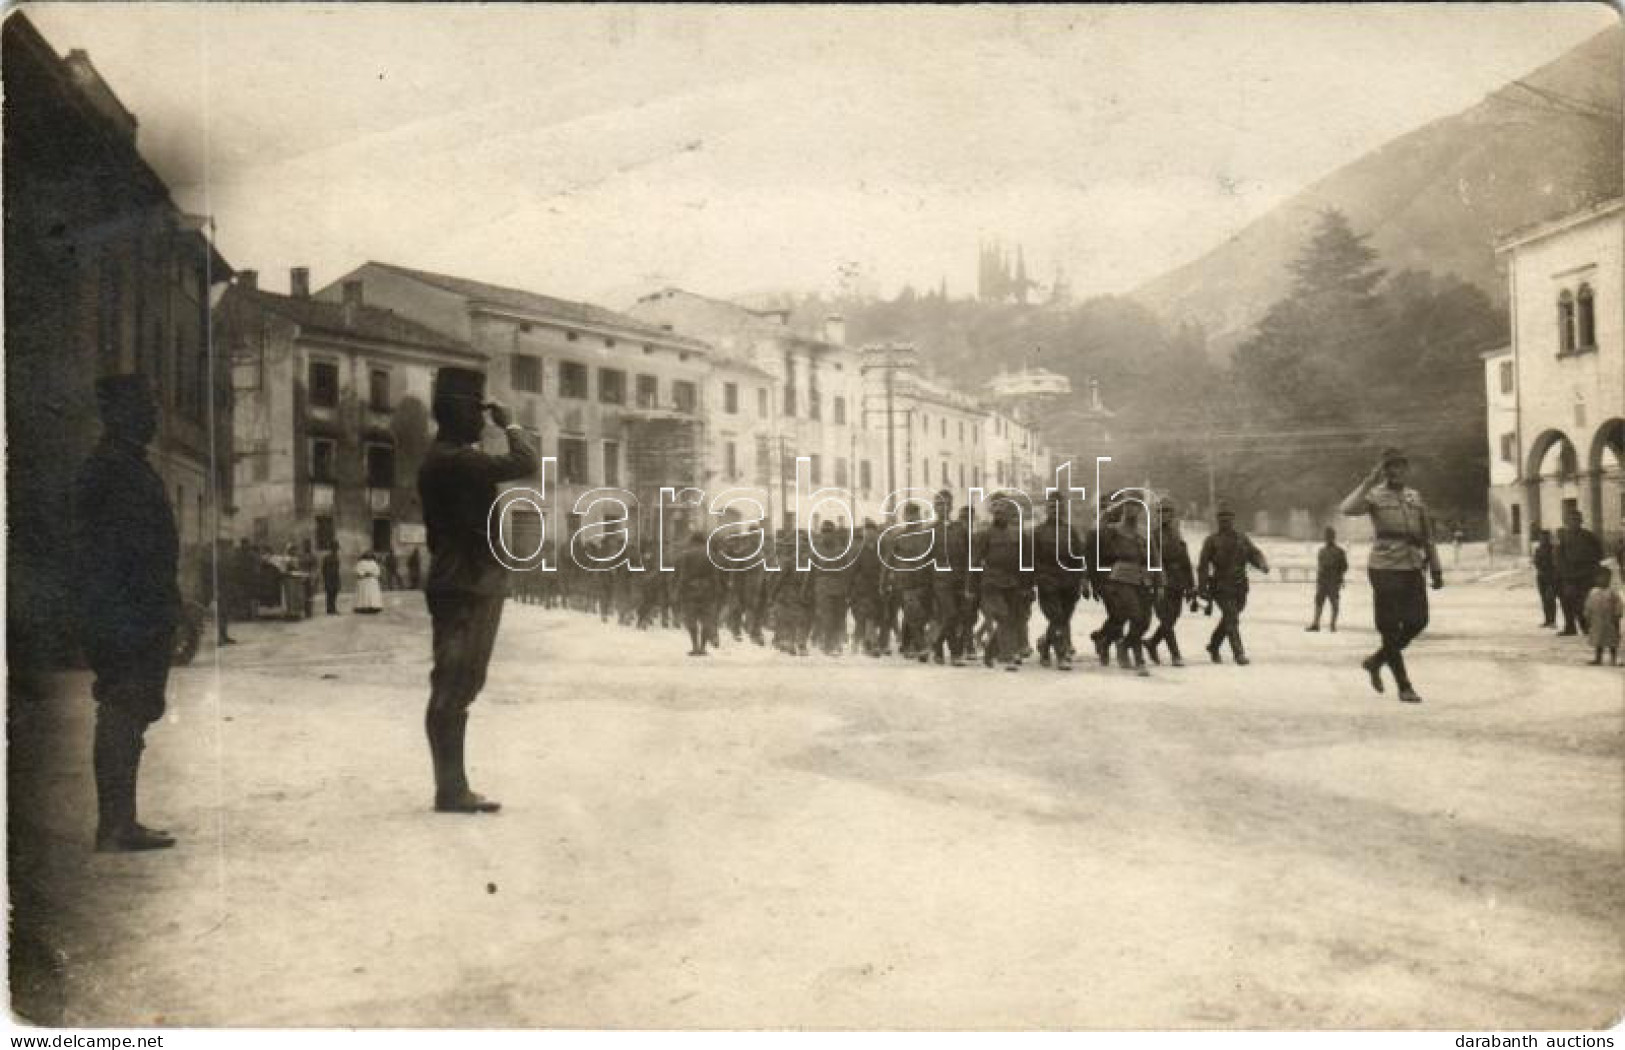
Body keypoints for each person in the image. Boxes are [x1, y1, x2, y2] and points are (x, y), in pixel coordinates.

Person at [417, 367, 538, 813]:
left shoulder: (442, 457)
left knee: (453, 682)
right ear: (456, 413)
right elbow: (527, 462)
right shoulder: (459, 459)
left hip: (457, 579)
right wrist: (511, 423)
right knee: (457, 683)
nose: (481, 421)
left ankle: (452, 787)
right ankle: (451, 790)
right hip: (470, 581)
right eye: (476, 411)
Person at [72, 374, 179, 852]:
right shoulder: (112, 470)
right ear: (119, 414)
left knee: (130, 710)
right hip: (125, 613)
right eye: (145, 407)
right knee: (123, 706)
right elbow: (117, 551)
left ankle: (121, 821)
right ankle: (116, 826)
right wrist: (144, 611)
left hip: (132, 609)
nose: (154, 415)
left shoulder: (123, 465)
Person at [1339, 447, 1440, 704]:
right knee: (1390, 628)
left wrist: (1436, 567)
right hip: (1384, 567)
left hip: (1412, 565)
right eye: (1390, 467)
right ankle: (1404, 685)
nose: (1396, 471)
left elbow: (1427, 535)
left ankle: (1376, 661)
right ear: (1383, 471)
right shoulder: (1374, 495)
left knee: (1418, 621)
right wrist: (1367, 482)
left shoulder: (1414, 497)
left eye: (1400, 466)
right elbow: (1347, 508)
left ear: (1406, 469)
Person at [1197, 502, 1269, 666]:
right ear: (1217, 520)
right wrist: (1202, 588)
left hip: (1240, 587)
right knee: (1231, 618)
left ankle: (1214, 646)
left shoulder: (1242, 539)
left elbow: (1254, 553)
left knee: (1231, 618)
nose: (1225, 520)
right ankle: (1239, 654)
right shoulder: (1211, 541)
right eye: (1221, 517)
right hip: (1221, 586)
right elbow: (1203, 566)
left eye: (1227, 516)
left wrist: (1262, 564)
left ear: (1233, 518)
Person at [972, 493, 1031, 672]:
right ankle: (1007, 656)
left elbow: (1025, 562)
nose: (1000, 515)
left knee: (1013, 618)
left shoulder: (1018, 535)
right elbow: (975, 561)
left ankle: (991, 650)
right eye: (996, 512)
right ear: (992, 514)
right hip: (991, 583)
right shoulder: (985, 535)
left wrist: (1027, 586)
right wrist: (971, 587)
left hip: (1012, 582)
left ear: (1008, 513)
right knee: (1004, 616)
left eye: (1003, 512)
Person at [1096, 502, 1155, 675]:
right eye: (1128, 506)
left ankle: (1118, 644)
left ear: (1140, 510)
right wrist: (1107, 512)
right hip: (1121, 578)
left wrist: (1160, 582)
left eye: (1136, 506)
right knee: (1135, 616)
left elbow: (1154, 557)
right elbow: (1097, 533)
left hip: (1142, 578)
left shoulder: (1144, 531)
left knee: (1145, 621)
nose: (1132, 510)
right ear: (1122, 508)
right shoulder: (1113, 530)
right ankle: (1139, 661)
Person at [1032, 489, 1085, 671]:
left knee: (1062, 618)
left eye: (1058, 507)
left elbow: (1079, 557)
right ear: (1047, 509)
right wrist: (1035, 580)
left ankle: (1045, 643)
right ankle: (1062, 654)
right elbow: (1032, 559)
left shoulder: (1070, 531)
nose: (1055, 510)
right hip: (1047, 580)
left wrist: (1082, 581)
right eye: (1051, 507)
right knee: (1057, 616)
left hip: (1069, 582)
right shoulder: (1038, 532)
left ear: (1063, 509)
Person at [1145, 502, 1194, 666]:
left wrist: (1191, 586)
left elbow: (1185, 561)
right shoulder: (1151, 536)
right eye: (1160, 512)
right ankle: (1175, 655)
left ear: (1172, 515)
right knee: (1165, 618)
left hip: (1177, 582)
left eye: (1167, 512)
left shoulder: (1177, 535)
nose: (1163, 515)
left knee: (1173, 618)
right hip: (1160, 582)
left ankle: (1152, 643)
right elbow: (1149, 561)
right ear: (1156, 515)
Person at [930, 490, 972, 666]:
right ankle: (955, 653)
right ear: (934, 507)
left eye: (946, 504)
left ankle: (937, 644)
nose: (943, 508)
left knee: (960, 616)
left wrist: (970, 581)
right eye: (939, 504)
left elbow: (970, 556)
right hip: (940, 580)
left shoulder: (960, 529)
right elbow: (925, 559)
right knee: (950, 614)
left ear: (951, 506)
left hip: (959, 579)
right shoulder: (930, 531)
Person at [1554, 507, 1604, 636]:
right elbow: (1558, 555)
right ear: (1566, 521)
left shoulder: (1588, 536)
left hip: (1586, 575)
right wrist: (1563, 571)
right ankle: (1570, 627)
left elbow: (1600, 553)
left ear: (1581, 521)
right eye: (1571, 520)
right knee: (1567, 601)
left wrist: (1591, 566)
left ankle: (1586, 626)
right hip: (1568, 575)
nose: (1574, 523)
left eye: (1577, 520)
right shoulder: (1563, 537)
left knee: (1584, 602)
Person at [676, 530, 720, 656]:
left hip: (691, 590)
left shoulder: (687, 555)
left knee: (691, 618)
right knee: (706, 618)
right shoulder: (711, 555)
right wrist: (716, 591)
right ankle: (703, 647)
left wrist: (680, 590)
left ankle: (694, 646)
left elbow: (683, 576)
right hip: (707, 590)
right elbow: (715, 576)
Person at [1306, 526, 1348, 632]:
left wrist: (1340, 578)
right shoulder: (1322, 551)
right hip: (1323, 581)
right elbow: (1320, 566)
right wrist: (1318, 581)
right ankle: (1316, 624)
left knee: (1334, 603)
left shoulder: (1339, 551)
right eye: (1326, 536)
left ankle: (1332, 625)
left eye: (1329, 536)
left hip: (1333, 581)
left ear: (1333, 537)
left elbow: (1344, 567)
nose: (1328, 538)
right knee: (1319, 601)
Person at [1583, 566, 1621, 666]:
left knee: (1612, 640)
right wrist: (1587, 616)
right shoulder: (1593, 592)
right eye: (1600, 577)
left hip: (1610, 621)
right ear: (1596, 579)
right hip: (1597, 621)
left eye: (1606, 578)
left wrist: (1617, 615)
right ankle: (1598, 658)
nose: (1603, 580)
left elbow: (1618, 604)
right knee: (1598, 641)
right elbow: (1588, 605)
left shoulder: (1612, 592)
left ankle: (1613, 659)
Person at [1533, 529, 1558, 628]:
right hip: (1541, 576)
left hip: (1551, 577)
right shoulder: (1538, 549)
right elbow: (1536, 562)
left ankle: (1552, 620)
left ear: (1548, 538)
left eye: (1545, 538)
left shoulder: (1553, 549)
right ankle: (1547, 619)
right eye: (1541, 538)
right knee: (1544, 599)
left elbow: (1555, 563)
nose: (1543, 540)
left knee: (1550, 598)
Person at [321, 544, 342, 615]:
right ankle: (330, 608)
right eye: (334, 549)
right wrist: (325, 577)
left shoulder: (337, 557)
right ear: (331, 549)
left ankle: (333, 608)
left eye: (336, 549)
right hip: (329, 577)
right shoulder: (326, 557)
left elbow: (337, 568)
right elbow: (323, 568)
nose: (335, 550)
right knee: (329, 592)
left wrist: (337, 577)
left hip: (335, 577)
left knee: (335, 592)